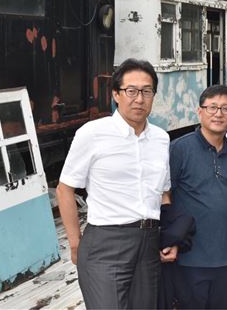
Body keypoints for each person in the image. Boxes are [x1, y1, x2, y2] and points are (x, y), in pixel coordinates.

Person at [56, 58, 176, 309]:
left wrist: (170, 236)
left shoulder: (161, 139)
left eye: (146, 91)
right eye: (131, 91)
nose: (139, 99)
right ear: (116, 95)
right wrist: (76, 242)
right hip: (105, 243)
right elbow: (65, 189)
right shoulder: (92, 133)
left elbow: (164, 193)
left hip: (149, 243)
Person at [169, 85, 227, 309]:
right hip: (191, 258)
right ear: (200, 112)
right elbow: (164, 195)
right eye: (212, 107)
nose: (219, 114)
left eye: (226, 109)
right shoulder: (179, 149)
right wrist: (171, 238)